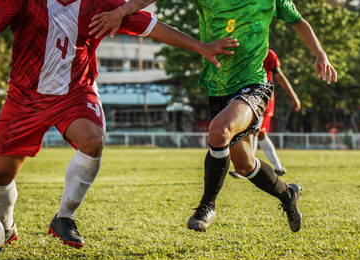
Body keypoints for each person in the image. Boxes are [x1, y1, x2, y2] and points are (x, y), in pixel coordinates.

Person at [0, 0, 238, 249]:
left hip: (75, 92)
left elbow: (151, 26)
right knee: (0, 174)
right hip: (25, 97)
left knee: (92, 139)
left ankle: (64, 217)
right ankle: (4, 226)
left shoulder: (100, 4)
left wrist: (201, 47)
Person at [90, 0, 337, 233]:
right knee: (245, 165)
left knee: (219, 131)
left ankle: (206, 206)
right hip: (218, 86)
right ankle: (288, 195)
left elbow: (298, 21)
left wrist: (320, 54)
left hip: (254, 85)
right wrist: (122, 11)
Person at [229, 49, 300, 178]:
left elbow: (279, 75)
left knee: (254, 133)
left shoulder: (268, 54)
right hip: (250, 97)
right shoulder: (247, 51)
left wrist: (293, 95)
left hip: (263, 100)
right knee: (261, 135)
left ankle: (247, 168)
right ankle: (278, 167)